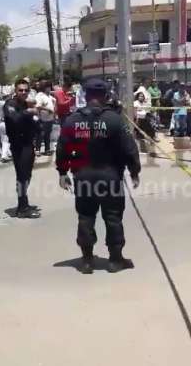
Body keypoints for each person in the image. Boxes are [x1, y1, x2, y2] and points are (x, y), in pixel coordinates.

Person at [55, 78, 141, 274]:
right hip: (110, 177)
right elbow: (129, 148)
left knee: (85, 217)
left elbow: (62, 148)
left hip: (83, 178)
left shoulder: (73, 120)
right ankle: (115, 260)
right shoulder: (114, 119)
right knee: (113, 217)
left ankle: (87, 260)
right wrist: (134, 171)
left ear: (85, 95)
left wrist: (62, 172)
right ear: (104, 95)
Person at [4, 79, 41, 219]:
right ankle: (22, 208)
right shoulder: (10, 104)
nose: (24, 92)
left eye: (26, 90)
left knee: (27, 176)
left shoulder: (25, 105)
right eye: (21, 90)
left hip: (28, 144)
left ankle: (23, 202)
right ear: (16, 91)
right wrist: (29, 112)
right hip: (18, 146)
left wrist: (37, 125)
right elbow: (15, 119)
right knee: (22, 177)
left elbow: (33, 123)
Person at [35, 84, 56, 156]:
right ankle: (37, 149)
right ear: (44, 88)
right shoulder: (40, 96)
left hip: (49, 119)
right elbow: (38, 106)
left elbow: (54, 102)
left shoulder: (50, 96)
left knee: (47, 135)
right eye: (48, 87)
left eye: (50, 87)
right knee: (40, 135)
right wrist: (47, 109)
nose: (49, 89)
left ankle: (47, 149)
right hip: (42, 119)